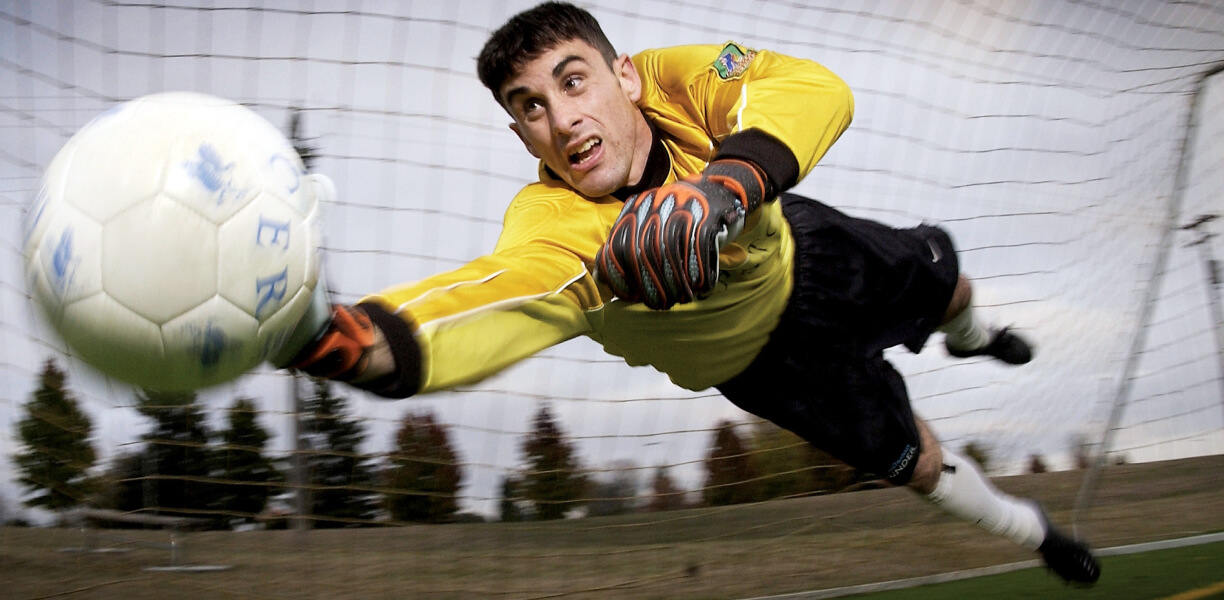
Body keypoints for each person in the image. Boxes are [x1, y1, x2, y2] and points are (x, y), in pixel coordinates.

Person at [283, 1, 1100, 584]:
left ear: (625, 77)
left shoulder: (683, 80)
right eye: (531, 107)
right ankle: (1036, 533)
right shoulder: (553, 225)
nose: (562, 120)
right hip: (768, 368)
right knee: (917, 463)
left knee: (949, 283)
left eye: (574, 82)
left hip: (809, 253)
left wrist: (724, 186)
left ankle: (972, 336)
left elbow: (811, 88)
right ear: (519, 131)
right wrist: (349, 340)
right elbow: (492, 296)